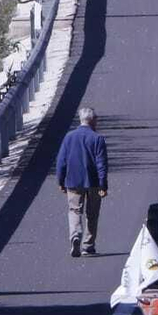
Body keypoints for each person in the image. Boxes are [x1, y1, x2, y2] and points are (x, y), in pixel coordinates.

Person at [55, 106, 108, 257]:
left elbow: (61, 161)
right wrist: (103, 185)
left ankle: (75, 235)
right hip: (93, 182)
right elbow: (101, 164)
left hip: (73, 181)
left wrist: (60, 180)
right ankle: (88, 245)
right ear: (92, 121)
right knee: (92, 214)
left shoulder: (69, 137)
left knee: (74, 210)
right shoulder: (97, 139)